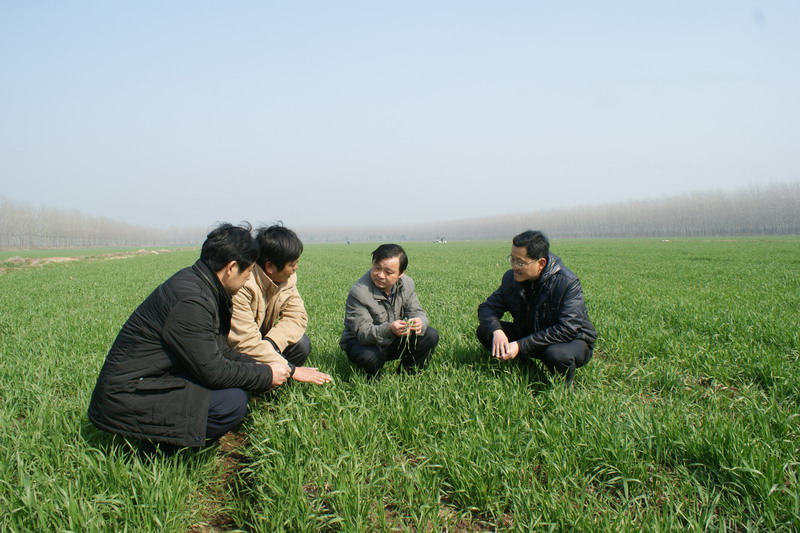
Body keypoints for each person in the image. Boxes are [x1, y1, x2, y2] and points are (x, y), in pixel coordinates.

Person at [88, 223, 290, 456]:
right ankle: (152, 455)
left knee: (234, 388)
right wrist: (266, 375)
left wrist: (262, 366)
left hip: (148, 381)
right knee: (230, 402)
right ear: (231, 268)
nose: (247, 280)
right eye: (248, 272)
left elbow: (220, 351)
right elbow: (214, 372)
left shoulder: (201, 286)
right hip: (125, 397)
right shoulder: (192, 301)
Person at [477, 230, 596, 386]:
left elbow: (567, 329)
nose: (514, 266)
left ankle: (563, 388)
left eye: (520, 262)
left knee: (557, 355)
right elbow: (487, 308)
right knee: (485, 331)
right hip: (530, 332)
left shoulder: (566, 282)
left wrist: (520, 345)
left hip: (570, 341)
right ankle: (525, 369)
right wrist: (497, 331)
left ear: (541, 263)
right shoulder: (511, 279)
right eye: (512, 260)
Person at [228, 224, 331, 385]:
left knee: (301, 344)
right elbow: (244, 342)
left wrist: (272, 343)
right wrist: (292, 369)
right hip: (236, 350)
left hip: (264, 340)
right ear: (270, 266)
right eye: (292, 264)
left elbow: (297, 316)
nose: (295, 268)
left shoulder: (287, 279)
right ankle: (253, 388)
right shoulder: (243, 284)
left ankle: (275, 387)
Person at [340, 243, 439, 376]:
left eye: (388, 272)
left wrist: (420, 321)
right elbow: (363, 333)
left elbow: (416, 311)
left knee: (430, 335)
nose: (380, 275)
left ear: (400, 274)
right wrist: (390, 328)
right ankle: (372, 380)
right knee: (369, 356)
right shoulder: (359, 292)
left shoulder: (407, 284)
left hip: (392, 337)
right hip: (362, 343)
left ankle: (408, 375)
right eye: (377, 268)